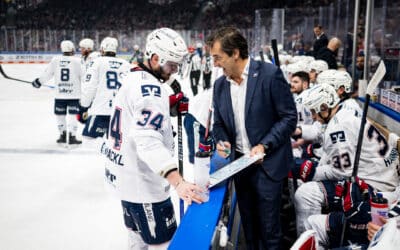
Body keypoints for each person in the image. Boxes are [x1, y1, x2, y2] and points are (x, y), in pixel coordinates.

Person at [103, 27, 204, 249]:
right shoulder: (151, 90)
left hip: (123, 177)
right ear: (156, 58)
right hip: (144, 187)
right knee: (164, 244)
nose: (174, 72)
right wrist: (178, 182)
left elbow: (133, 113)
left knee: (136, 241)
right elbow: (147, 142)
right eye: (171, 65)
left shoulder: (133, 76)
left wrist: (165, 105)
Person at [209, 26, 297, 249]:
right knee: (250, 228)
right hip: (241, 166)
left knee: (270, 230)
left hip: (269, 165)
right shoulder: (220, 86)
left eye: (218, 57)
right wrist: (221, 140)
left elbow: (288, 118)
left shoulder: (269, 74)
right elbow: (218, 124)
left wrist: (264, 146)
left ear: (235, 53)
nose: (215, 64)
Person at [291, 84, 399, 245]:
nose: (313, 116)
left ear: (324, 107)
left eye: (314, 111)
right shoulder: (344, 113)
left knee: (305, 194)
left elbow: (342, 171)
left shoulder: (338, 126)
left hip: (376, 188)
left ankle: (310, 241)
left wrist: (309, 171)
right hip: (384, 179)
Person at [79, 37, 131, 140]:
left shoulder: (97, 62)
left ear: (102, 49)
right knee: (116, 148)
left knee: (90, 143)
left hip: (100, 112)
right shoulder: (126, 65)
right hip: (120, 114)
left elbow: (89, 87)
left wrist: (84, 106)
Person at [32, 40, 83, 145]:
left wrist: (38, 82)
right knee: (73, 116)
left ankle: (63, 135)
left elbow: (47, 74)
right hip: (75, 95)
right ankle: (72, 136)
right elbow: (84, 77)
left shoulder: (55, 60)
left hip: (60, 95)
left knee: (60, 116)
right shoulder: (78, 61)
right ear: (72, 49)